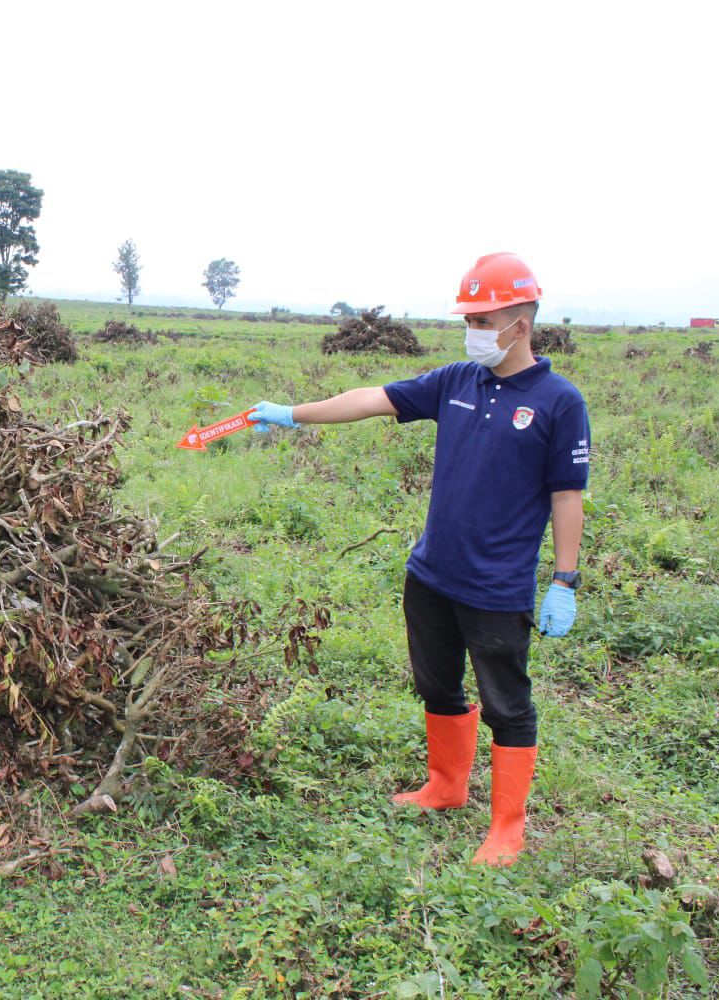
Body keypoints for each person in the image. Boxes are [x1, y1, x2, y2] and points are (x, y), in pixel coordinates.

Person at [248, 252, 589, 866]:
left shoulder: (559, 402)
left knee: (507, 703)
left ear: (523, 321)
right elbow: (374, 397)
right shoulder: (458, 381)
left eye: (488, 318)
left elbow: (568, 495)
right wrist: (294, 416)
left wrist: (565, 579)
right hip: (432, 574)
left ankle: (508, 825)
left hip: (497, 587)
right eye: (471, 318)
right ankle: (447, 786)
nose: (476, 329)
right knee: (436, 684)